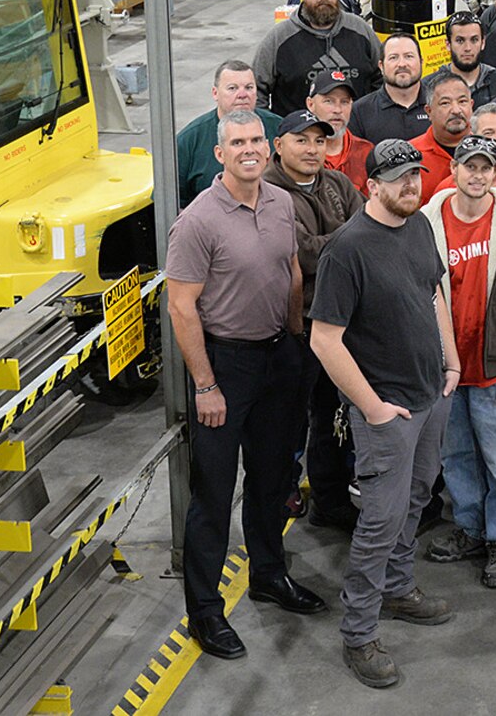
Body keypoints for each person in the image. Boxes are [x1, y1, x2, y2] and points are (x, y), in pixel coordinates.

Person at [166, 109, 323, 661]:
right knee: (213, 492)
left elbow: (293, 273)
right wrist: (205, 385)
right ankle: (205, 611)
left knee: (271, 478)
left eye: (257, 138)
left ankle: (268, 575)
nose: (249, 149)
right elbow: (181, 308)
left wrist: (298, 340)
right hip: (225, 367)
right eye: (238, 141)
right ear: (219, 152)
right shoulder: (198, 221)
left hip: (278, 356)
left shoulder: (281, 202)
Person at [310, 138, 460, 688]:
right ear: (370, 185)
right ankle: (359, 633)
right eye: (396, 178)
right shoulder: (346, 250)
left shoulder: (419, 225)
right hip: (387, 412)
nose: (410, 186)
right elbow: (325, 340)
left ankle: (398, 589)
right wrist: (371, 408)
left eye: (415, 176)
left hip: (431, 397)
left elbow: (434, 294)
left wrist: (452, 361)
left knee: (417, 500)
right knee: (380, 520)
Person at [419, 136, 496, 590]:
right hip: (447, 369)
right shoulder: (426, 222)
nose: (477, 175)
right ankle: (472, 530)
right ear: (453, 170)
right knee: (456, 457)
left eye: (485, 168)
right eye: (468, 166)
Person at [264, 108, 364, 528]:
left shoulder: (336, 182)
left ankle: (329, 500)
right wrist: (349, 240)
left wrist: (340, 243)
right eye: (301, 140)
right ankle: (279, 499)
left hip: (344, 321)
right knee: (289, 423)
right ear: (279, 145)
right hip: (296, 328)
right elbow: (302, 253)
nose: (311, 148)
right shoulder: (269, 193)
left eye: (319, 140)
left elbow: (370, 227)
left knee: (331, 418)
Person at [252, 0, 383, 115]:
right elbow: (256, 89)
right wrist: (270, 126)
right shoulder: (279, 38)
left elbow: (381, 78)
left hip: (354, 132)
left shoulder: (361, 30)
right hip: (300, 135)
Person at [177, 61, 282, 207]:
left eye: (249, 87)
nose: (242, 95)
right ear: (215, 93)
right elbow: (169, 204)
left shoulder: (279, 129)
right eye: (232, 88)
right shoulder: (189, 141)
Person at [348, 34, 430, 145]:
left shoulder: (440, 105)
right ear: (381, 66)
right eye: (393, 57)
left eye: (409, 56)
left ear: (421, 62)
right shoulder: (359, 112)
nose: (402, 64)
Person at [308, 67, 372, 193]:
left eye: (344, 102)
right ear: (310, 104)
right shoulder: (300, 154)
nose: (337, 110)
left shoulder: (366, 152)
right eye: (329, 101)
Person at [444, 13, 496, 108]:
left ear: (483, 42)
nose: (467, 48)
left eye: (474, 40)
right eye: (460, 41)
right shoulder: (430, 86)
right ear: (448, 44)